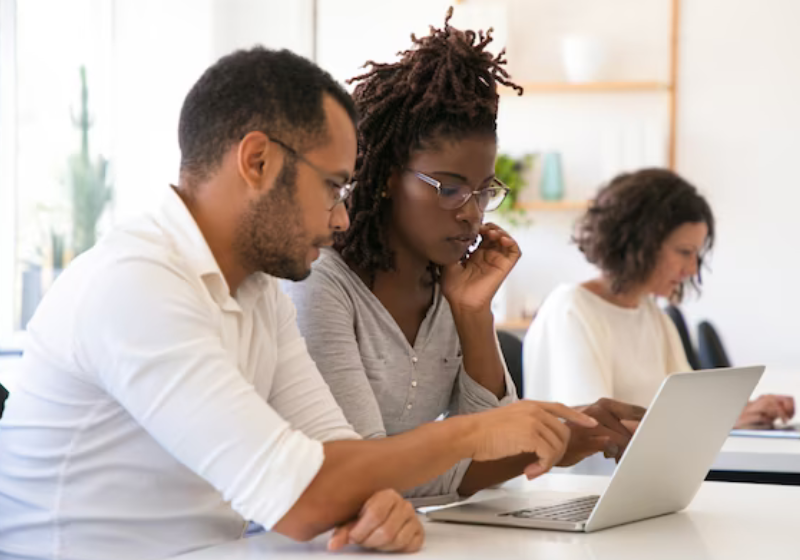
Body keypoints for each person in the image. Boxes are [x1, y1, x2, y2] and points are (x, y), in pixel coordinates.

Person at [0, 47, 601, 560]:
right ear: (257, 161)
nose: (342, 217)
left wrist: (375, 501)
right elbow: (302, 498)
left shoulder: (258, 291)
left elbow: (343, 459)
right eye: (332, 186)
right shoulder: (136, 285)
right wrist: (474, 433)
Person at [286, 10, 645, 506]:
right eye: (450, 189)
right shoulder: (320, 285)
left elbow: (495, 438)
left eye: (483, 191)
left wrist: (473, 314)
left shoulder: (448, 288)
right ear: (388, 176)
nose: (471, 214)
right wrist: (548, 445)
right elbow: (363, 472)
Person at [523, 168, 795, 429]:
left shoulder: (650, 313)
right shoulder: (571, 309)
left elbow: (692, 407)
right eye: (684, 252)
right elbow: (594, 429)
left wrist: (748, 409)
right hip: (591, 476)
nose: (692, 269)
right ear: (640, 243)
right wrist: (721, 421)